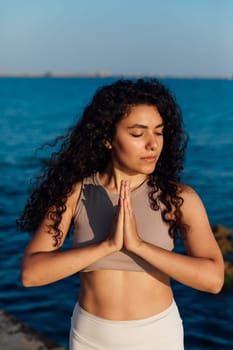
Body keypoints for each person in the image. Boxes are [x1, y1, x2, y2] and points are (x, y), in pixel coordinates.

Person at [17, 79, 224, 350]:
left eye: (159, 132)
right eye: (138, 134)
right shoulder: (74, 194)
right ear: (107, 138)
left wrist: (138, 246)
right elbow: (31, 274)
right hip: (91, 336)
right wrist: (107, 246)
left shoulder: (179, 198)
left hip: (158, 335)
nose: (153, 145)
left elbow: (214, 280)